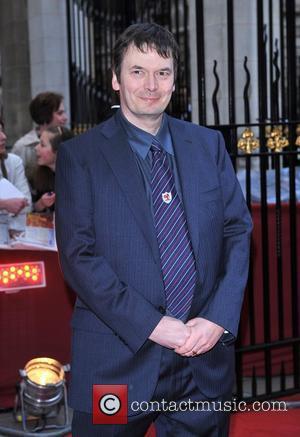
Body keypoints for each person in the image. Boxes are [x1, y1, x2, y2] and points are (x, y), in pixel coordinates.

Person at [55, 23, 252, 436]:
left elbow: (237, 231)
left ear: (174, 80)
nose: (151, 85)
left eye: (162, 72)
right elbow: (78, 257)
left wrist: (217, 318)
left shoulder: (208, 144)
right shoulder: (81, 157)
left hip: (202, 360)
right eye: (137, 71)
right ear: (115, 78)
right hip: (117, 359)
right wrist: (153, 325)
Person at [12, 92, 68, 183]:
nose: (65, 118)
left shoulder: (67, 138)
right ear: (46, 115)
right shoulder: (23, 147)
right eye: (60, 113)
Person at [0, 117, 31, 242]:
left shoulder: (14, 161)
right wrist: (5, 204)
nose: (3, 136)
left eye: (2, 130)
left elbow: (26, 203)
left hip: (13, 238)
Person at [31, 126, 73, 212]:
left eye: (42, 145)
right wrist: (41, 203)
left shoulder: (80, 177)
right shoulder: (37, 175)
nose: (36, 148)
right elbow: (31, 210)